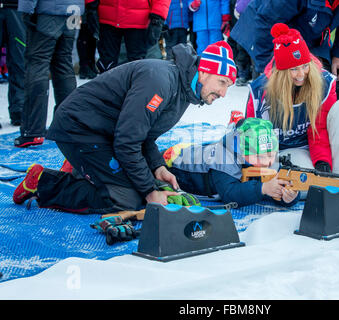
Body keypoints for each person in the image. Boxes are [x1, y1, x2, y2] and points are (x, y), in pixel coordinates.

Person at [12, 41, 237, 214]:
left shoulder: (184, 90)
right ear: (205, 72)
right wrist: (149, 191)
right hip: (80, 129)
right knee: (127, 198)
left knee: (145, 181)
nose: (224, 93)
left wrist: (157, 166)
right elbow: (127, 141)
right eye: (222, 82)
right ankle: (43, 182)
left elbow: (144, 135)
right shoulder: (161, 81)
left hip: (104, 133)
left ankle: (84, 168)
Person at [246, 23, 339, 177]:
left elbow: (319, 128)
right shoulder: (260, 92)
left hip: (312, 146)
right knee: (302, 179)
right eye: (293, 69)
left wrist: (323, 161)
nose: (301, 74)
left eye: (305, 66)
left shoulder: (323, 82)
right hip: (281, 151)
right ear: (281, 73)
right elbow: (254, 137)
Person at [230, 0, 339, 100]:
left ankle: (324, 127)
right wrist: (269, 66)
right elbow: (265, 21)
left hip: (312, 33)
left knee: (336, 84)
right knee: (283, 84)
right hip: (269, 29)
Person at [163, 117, 301, 207]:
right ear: (243, 151)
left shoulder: (264, 158)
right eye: (259, 157)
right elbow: (230, 195)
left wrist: (288, 196)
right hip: (175, 165)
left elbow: (280, 181)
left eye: (271, 155)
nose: (267, 162)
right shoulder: (223, 159)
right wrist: (263, 188)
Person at [14, 0, 86, 148]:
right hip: (73, 10)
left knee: (37, 63)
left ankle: (33, 131)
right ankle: (66, 126)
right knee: (64, 63)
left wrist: (27, 10)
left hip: (48, 11)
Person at [93, 0, 170, 73]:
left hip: (138, 21)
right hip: (107, 17)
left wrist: (158, 15)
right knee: (107, 63)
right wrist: (91, 6)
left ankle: (137, 84)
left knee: (137, 63)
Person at [0, 0, 25, 127]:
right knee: (19, 60)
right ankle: (18, 108)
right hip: (16, 8)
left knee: (19, 61)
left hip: (17, 8)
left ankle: (19, 109)